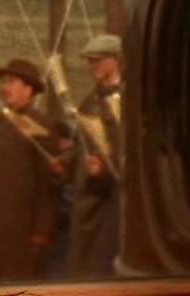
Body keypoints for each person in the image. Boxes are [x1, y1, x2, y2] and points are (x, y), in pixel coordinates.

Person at [0, 58, 64, 280]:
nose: (4, 88)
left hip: (26, 230)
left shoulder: (40, 125)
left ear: (29, 90)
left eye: (11, 82)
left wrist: (42, 230)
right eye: (4, 82)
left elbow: (50, 184)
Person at [69, 33, 125, 275]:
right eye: (89, 61)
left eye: (97, 60)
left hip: (124, 197)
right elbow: (80, 145)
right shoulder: (89, 102)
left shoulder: (132, 98)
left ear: (115, 60)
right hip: (95, 198)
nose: (92, 66)